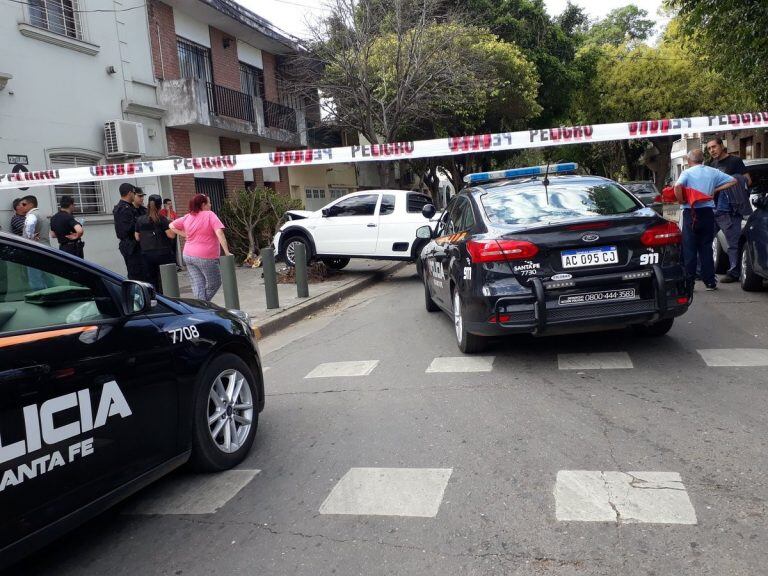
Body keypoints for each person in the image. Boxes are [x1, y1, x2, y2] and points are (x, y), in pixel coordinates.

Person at [674, 149, 736, 291]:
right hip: (707, 213)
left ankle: (689, 284)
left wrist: (681, 199)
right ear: (702, 159)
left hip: (691, 212)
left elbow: (678, 186)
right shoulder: (712, 171)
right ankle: (710, 282)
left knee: (690, 249)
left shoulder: (687, 173)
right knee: (706, 248)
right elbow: (734, 181)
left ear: (689, 160)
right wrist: (716, 189)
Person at [169, 194, 231, 301]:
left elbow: (171, 225)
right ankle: (202, 305)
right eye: (209, 202)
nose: (210, 205)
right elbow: (219, 232)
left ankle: (200, 306)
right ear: (203, 205)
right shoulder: (209, 214)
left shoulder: (188, 216)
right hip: (205, 257)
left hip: (188, 255)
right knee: (214, 283)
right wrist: (226, 252)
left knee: (198, 284)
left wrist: (184, 234)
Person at [706, 138, 751, 283]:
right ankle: (702, 271)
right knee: (705, 239)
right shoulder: (712, 164)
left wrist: (724, 186)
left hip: (730, 210)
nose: (712, 150)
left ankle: (734, 273)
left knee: (733, 243)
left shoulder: (735, 161)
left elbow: (747, 180)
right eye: (709, 148)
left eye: (714, 147)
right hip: (714, 209)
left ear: (722, 146)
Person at [135, 194, 176, 291]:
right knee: (166, 281)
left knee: (151, 281)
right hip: (163, 254)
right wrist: (173, 226)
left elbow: (137, 237)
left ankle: (154, 300)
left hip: (147, 254)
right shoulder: (162, 219)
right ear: (160, 206)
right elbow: (171, 235)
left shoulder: (140, 220)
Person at [113, 183, 145, 280]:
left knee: (140, 271)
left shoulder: (127, 207)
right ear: (130, 193)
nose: (135, 195)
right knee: (136, 273)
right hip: (131, 244)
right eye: (134, 193)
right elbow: (128, 228)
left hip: (131, 243)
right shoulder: (124, 208)